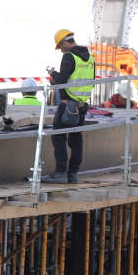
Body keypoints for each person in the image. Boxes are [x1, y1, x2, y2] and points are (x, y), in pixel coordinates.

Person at [42, 28, 94, 183]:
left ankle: (60, 173)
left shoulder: (69, 56)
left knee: (58, 137)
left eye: (60, 46)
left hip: (68, 105)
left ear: (65, 42)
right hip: (82, 105)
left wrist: (52, 74)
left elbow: (61, 81)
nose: (60, 50)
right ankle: (73, 174)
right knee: (76, 139)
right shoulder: (89, 57)